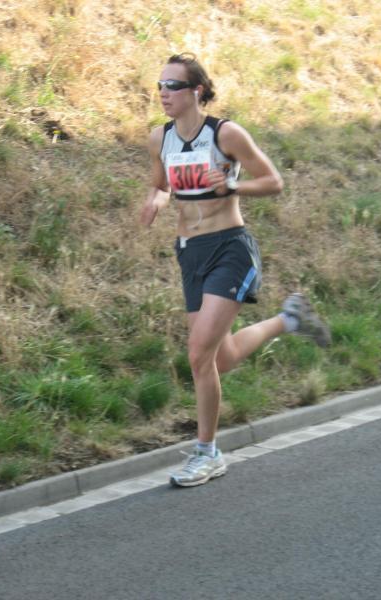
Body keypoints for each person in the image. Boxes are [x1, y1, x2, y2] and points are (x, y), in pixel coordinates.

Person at [140, 53, 331, 487]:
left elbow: (273, 181)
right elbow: (160, 185)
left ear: (197, 92)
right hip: (189, 253)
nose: (164, 93)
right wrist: (156, 202)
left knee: (197, 354)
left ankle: (207, 453)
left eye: (173, 86)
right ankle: (291, 318)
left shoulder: (225, 133)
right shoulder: (159, 139)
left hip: (229, 248)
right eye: (160, 85)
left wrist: (232, 185)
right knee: (219, 358)